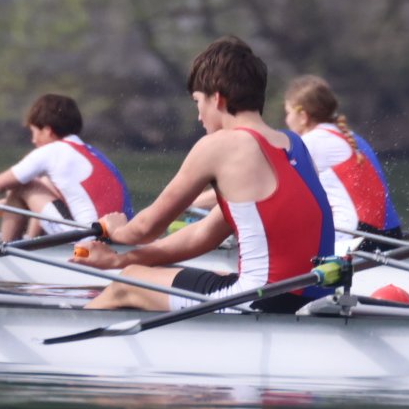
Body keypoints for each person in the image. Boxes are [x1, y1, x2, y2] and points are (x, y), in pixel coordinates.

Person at [75, 37, 336, 314]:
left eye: (198, 101)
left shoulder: (220, 145)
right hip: (312, 296)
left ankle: (62, 343)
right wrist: (119, 260)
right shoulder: (293, 143)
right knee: (162, 273)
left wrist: (118, 230)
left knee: (126, 283)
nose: (199, 116)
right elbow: (202, 235)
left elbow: (145, 229)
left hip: (261, 299)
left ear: (218, 98)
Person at [0, 93, 132, 241]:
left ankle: (4, 252)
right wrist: (2, 205)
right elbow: (57, 195)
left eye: (34, 132)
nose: (33, 140)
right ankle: (31, 244)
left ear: (47, 130)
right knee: (42, 182)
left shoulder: (52, 151)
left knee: (24, 184)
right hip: (116, 237)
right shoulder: (90, 153)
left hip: (87, 242)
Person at [282, 74, 403, 241]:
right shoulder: (353, 138)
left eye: (288, 113)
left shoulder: (313, 141)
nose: (286, 120)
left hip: (359, 239)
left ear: (303, 116)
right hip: (391, 235)